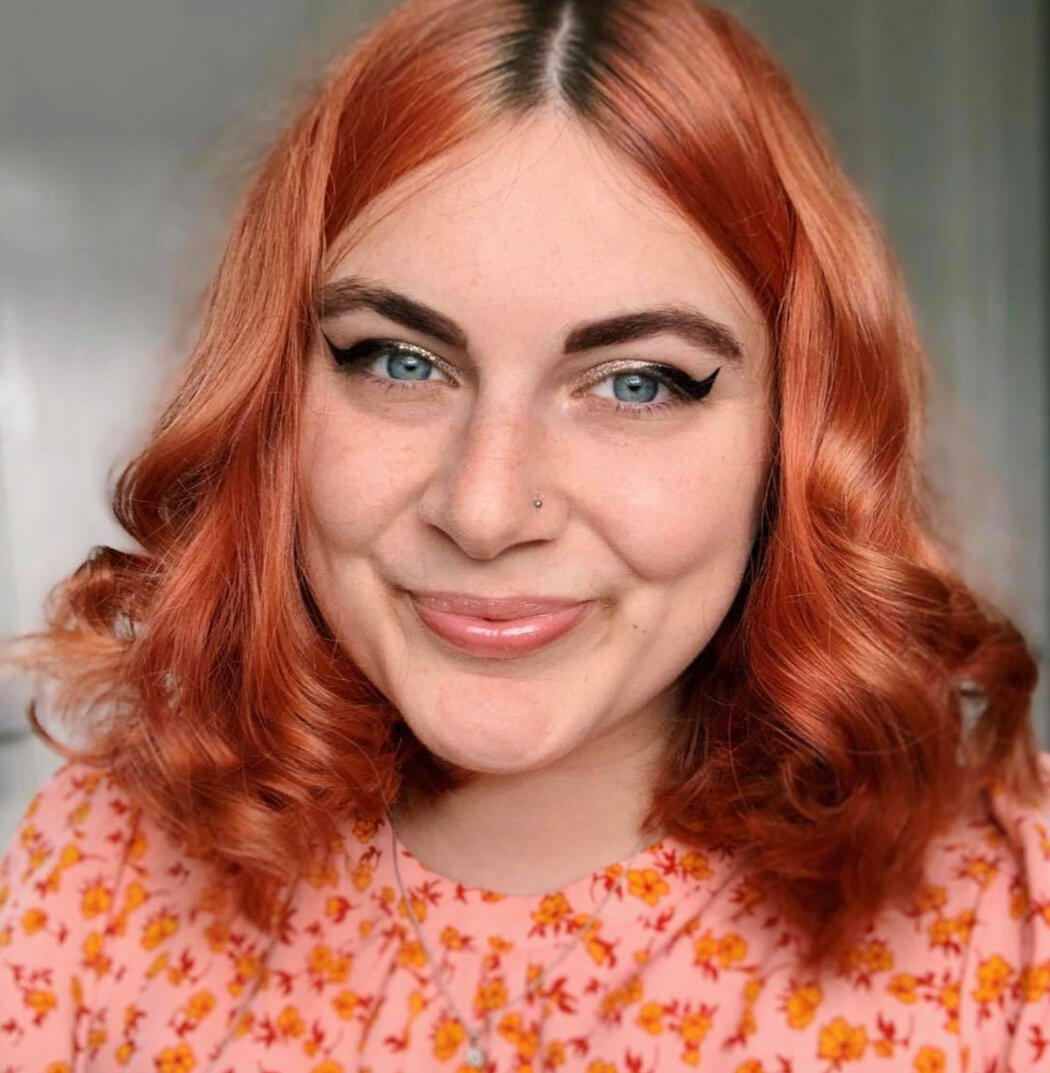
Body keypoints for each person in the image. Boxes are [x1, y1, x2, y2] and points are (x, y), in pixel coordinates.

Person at [1, 0, 1048, 1070]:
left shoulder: (1013, 925)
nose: (486, 510)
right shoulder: (102, 878)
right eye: (400, 361)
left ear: (797, 431)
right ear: (275, 402)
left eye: (636, 383)